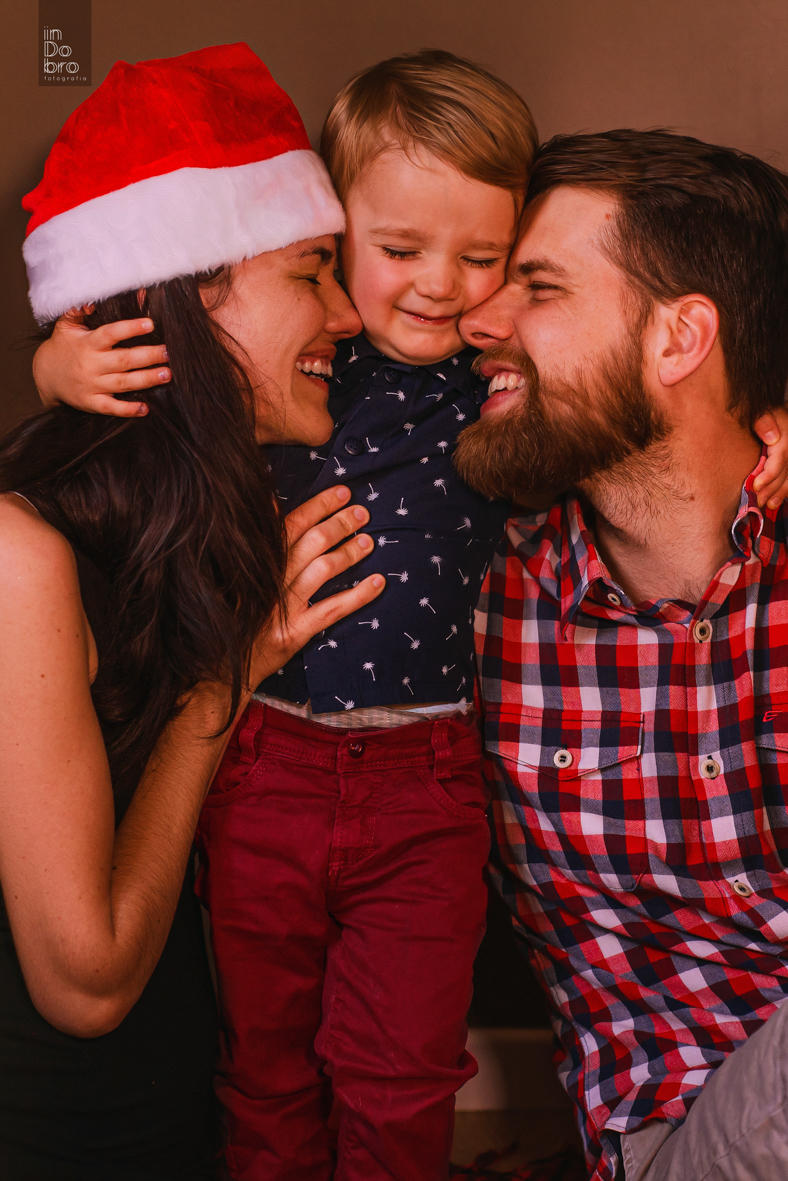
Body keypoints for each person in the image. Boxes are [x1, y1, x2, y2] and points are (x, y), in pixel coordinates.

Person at [31, 60, 788, 1181]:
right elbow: (172, 396)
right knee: (269, 1062)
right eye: (382, 256)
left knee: (390, 1075)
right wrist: (60, 358)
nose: (465, 307)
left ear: (677, 340)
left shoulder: (511, 493)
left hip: (430, 784)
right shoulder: (487, 532)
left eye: (515, 276)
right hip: (286, 773)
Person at [0, 43, 383, 1180]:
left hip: (188, 1110)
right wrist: (230, 671)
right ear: (184, 298)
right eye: (311, 270)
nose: (350, 314)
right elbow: (87, 981)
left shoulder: (207, 504)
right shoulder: (23, 555)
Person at [456, 128, 788, 1181]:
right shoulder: (470, 591)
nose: (478, 321)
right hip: (669, 1135)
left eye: (537, 288)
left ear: (678, 336)